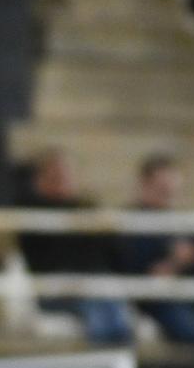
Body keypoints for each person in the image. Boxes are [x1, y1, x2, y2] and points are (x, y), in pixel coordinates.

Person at [16, 148, 131, 345]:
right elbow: (45, 255)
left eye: (66, 174)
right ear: (41, 179)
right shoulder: (32, 211)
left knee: (114, 308)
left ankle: (120, 360)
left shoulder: (87, 209)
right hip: (58, 288)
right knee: (97, 309)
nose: (63, 180)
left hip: (95, 284)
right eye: (56, 175)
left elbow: (114, 252)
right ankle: (105, 358)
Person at [114, 153, 194, 344]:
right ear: (145, 184)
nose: (169, 193)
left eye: (172, 188)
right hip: (156, 296)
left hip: (193, 291)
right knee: (191, 330)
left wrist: (189, 259)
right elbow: (130, 263)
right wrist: (170, 264)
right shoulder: (130, 221)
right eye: (162, 188)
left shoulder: (184, 222)